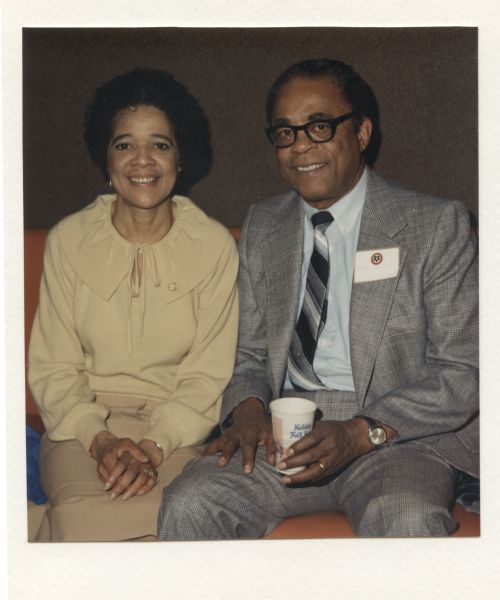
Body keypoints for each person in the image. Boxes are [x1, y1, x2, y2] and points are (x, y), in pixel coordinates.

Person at [157, 58, 479, 539]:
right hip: (284, 438)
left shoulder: (434, 225)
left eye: (320, 126)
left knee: (407, 522)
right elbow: (249, 353)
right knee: (190, 503)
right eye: (285, 133)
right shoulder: (264, 227)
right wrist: (247, 409)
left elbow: (463, 371)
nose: (301, 145)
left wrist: (357, 432)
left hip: (394, 440)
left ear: (362, 133)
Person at [28, 68, 239, 542]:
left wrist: (152, 446)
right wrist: (101, 440)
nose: (142, 161)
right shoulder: (68, 240)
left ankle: (38, 534)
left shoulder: (214, 246)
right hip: (79, 431)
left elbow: (208, 376)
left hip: (176, 436)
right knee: (88, 518)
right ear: (105, 158)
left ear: (180, 157)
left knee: (179, 520)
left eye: (160, 145)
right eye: (124, 145)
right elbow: (53, 368)